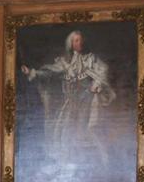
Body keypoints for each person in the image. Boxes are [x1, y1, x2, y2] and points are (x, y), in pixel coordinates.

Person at [20, 30, 116, 167]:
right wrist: (31, 72)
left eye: (80, 40)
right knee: (64, 131)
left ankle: (101, 163)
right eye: (76, 40)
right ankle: (68, 164)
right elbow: (49, 73)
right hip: (71, 102)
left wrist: (96, 84)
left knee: (88, 129)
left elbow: (102, 72)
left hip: (88, 101)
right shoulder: (65, 62)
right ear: (71, 44)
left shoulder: (91, 59)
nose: (79, 42)